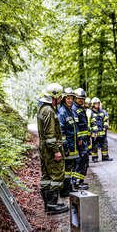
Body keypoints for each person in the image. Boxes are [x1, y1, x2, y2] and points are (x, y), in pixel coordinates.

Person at [37, 83, 69, 214]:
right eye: (60, 96)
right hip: (50, 149)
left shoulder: (43, 108)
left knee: (46, 176)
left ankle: (48, 204)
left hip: (44, 148)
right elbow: (50, 135)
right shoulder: (49, 111)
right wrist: (56, 151)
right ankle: (52, 205)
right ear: (54, 97)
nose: (61, 99)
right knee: (56, 175)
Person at [58, 87, 79, 197]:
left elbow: (74, 128)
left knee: (70, 168)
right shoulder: (62, 112)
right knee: (66, 169)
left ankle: (69, 187)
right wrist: (65, 146)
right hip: (68, 147)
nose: (70, 100)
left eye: (71, 98)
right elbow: (61, 131)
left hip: (73, 145)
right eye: (68, 98)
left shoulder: (71, 111)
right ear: (64, 99)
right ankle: (65, 190)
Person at [72, 88, 90, 190]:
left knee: (85, 160)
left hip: (84, 139)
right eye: (79, 98)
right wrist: (79, 138)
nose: (81, 100)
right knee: (80, 161)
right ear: (75, 98)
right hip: (80, 140)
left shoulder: (80, 107)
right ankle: (76, 183)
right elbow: (76, 125)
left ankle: (80, 181)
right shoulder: (74, 109)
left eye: (83, 98)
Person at [90, 97, 113, 162]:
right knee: (94, 146)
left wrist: (105, 126)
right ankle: (94, 157)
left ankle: (105, 157)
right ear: (92, 104)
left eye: (98, 103)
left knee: (104, 145)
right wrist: (92, 131)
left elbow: (106, 119)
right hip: (95, 133)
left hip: (103, 133)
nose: (97, 105)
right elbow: (90, 122)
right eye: (95, 103)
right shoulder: (90, 112)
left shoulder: (103, 112)